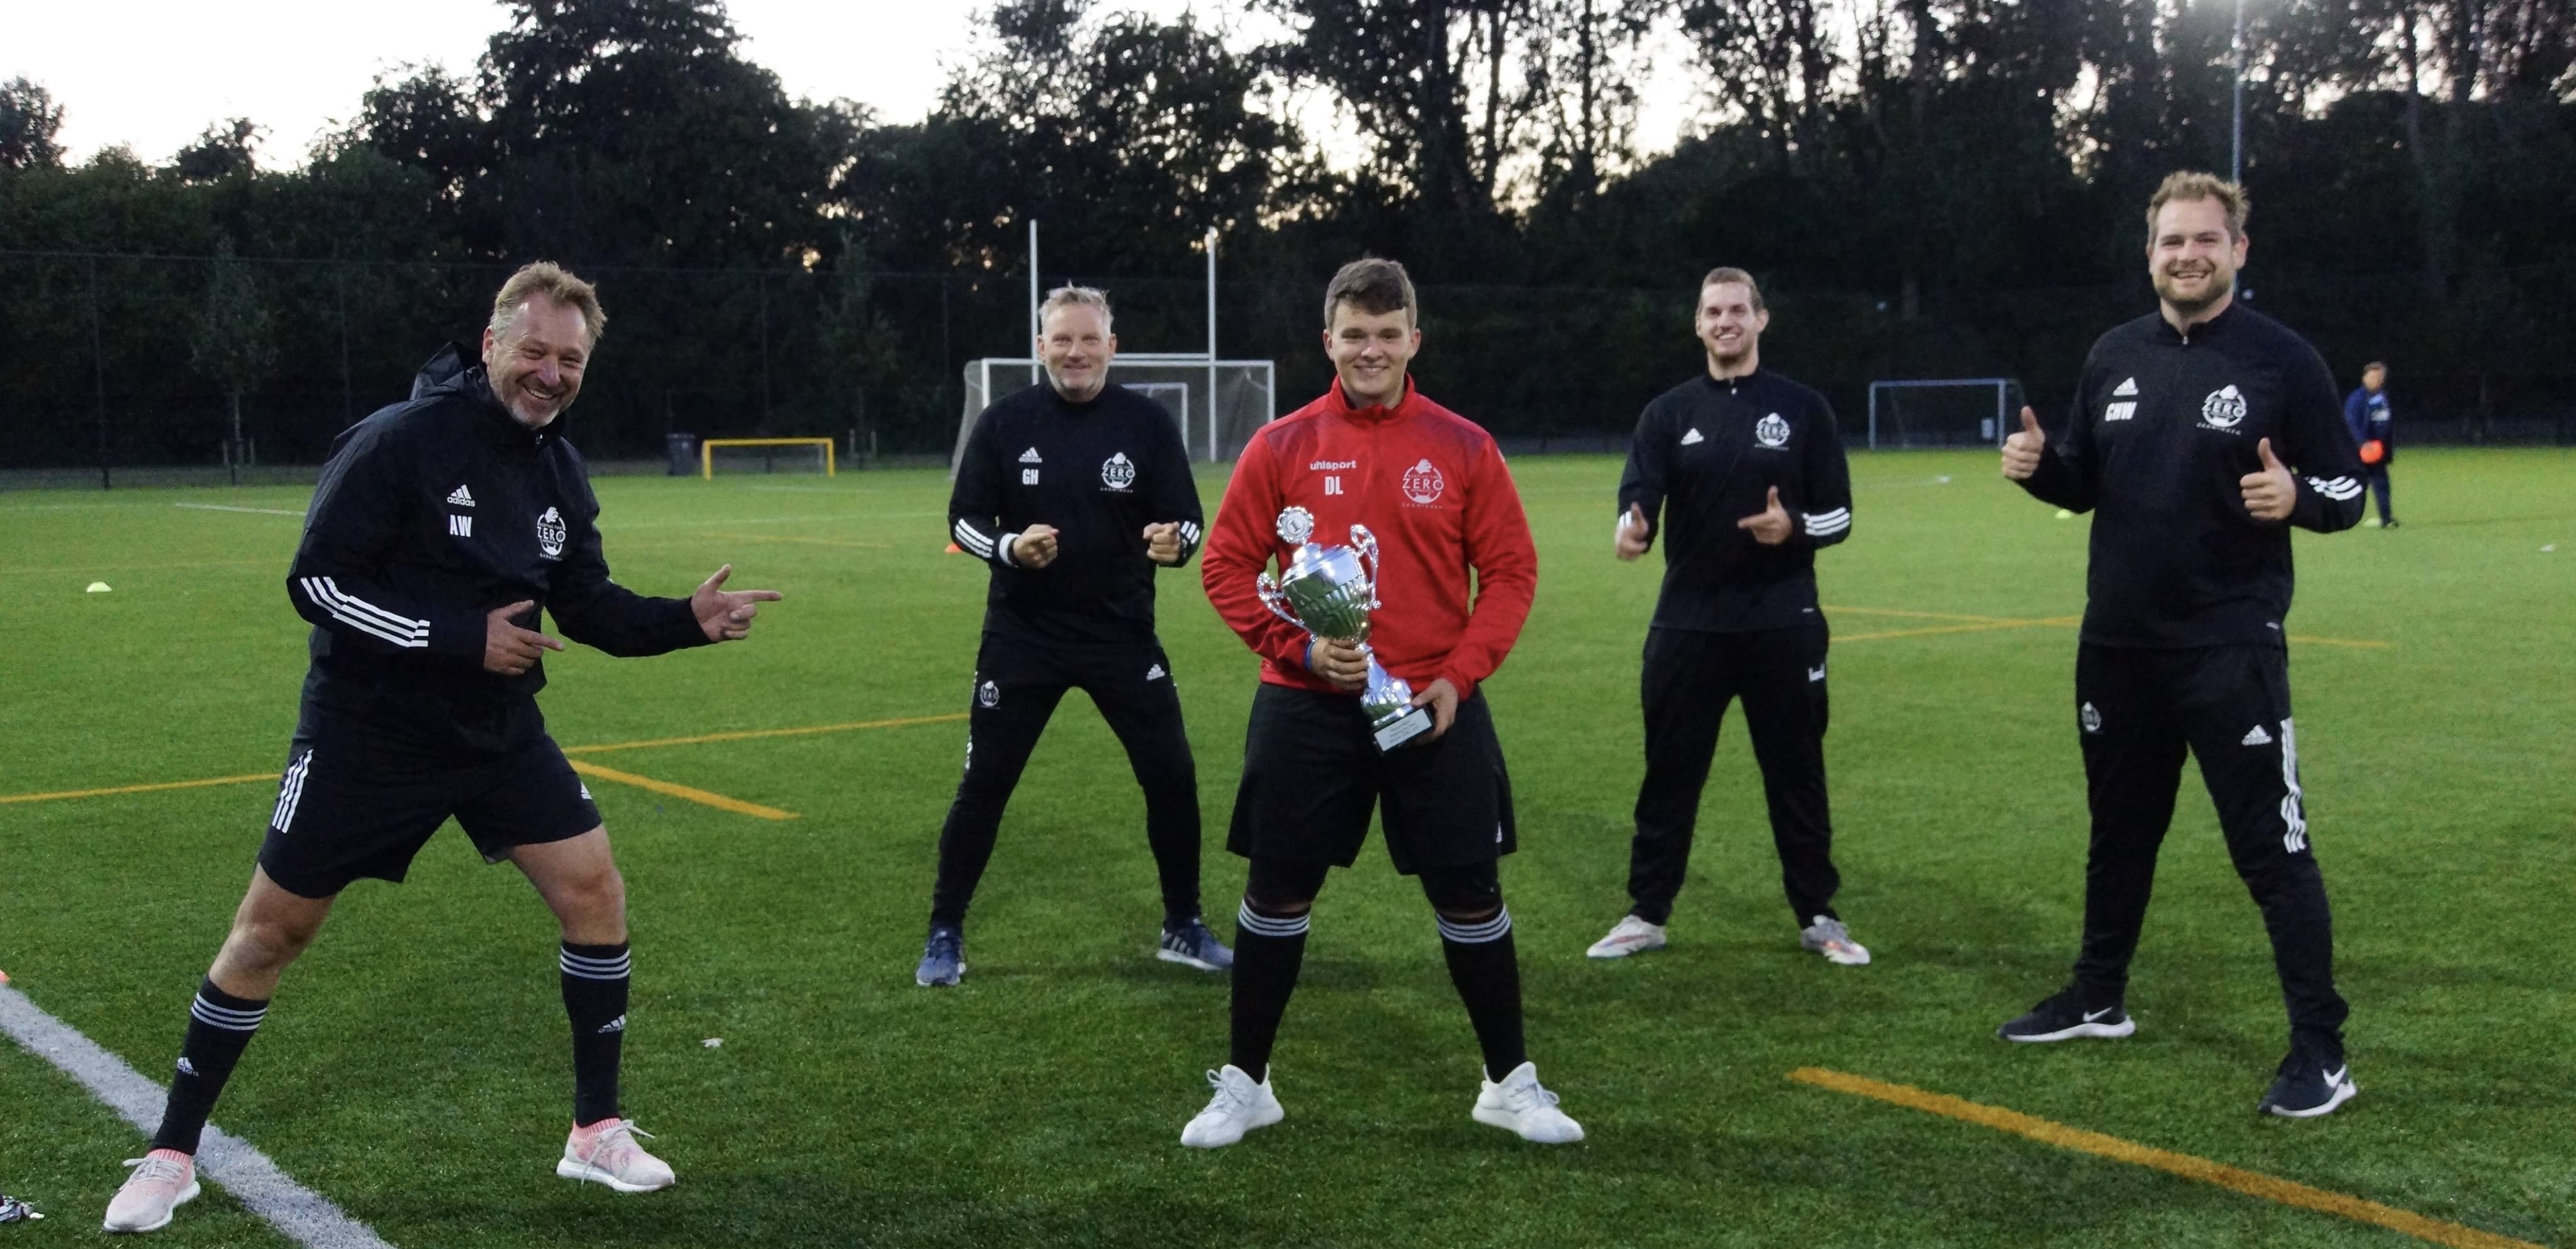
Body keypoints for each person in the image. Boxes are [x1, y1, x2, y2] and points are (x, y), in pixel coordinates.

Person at [104, 263, 786, 1233]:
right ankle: (171, 1153)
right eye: (536, 351)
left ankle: (594, 1132)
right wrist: (458, 637)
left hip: (496, 733)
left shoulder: (559, 468)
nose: (551, 374)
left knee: (594, 891)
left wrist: (686, 619)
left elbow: (586, 605)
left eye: (571, 360)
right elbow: (317, 582)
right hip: (368, 733)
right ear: (492, 344)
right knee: (269, 934)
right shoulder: (400, 440)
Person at [1180, 258, 1578, 1148]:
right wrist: (1297, 647)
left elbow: (1510, 571)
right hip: (1304, 705)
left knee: (1470, 895)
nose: (1371, 350)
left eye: (1387, 334)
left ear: (1413, 341)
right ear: (1327, 341)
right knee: (1276, 893)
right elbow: (1226, 564)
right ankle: (1247, 1084)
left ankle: (1508, 1083)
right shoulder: (1279, 445)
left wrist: (1459, 676)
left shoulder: (1464, 445)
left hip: (1432, 706)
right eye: (1354, 334)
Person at [1996, 172, 2367, 1117]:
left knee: (2272, 851)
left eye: (2205, 239)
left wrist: (2297, 499)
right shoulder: (2112, 353)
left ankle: (2320, 1050)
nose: (2187, 255)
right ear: (2149, 253)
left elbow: (2346, 491)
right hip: (2116, 646)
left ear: (2237, 249)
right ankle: (2098, 995)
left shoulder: (2282, 360)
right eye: (2171, 242)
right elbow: (2085, 482)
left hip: (2227, 647)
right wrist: (2040, 472)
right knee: (2118, 833)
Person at [925, 285, 1227, 986]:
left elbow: (1187, 518)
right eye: (1062, 339)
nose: (1076, 352)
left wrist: (1174, 542)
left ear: (1111, 347)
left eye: (1089, 339)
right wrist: (1009, 547)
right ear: (1041, 347)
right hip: (1023, 639)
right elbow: (964, 519)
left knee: (1172, 775)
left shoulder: (1147, 423)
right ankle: (945, 930)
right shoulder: (1005, 422)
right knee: (985, 783)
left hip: (1122, 636)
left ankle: (1182, 924)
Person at [1586, 267, 1866, 967]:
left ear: (1760, 319)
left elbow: (1840, 514)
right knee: (1669, 775)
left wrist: (1792, 524)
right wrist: (1631, 527)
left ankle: (1819, 915)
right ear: (1698, 324)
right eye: (1713, 311)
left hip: (1783, 620)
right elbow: (1638, 495)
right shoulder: (1668, 412)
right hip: (1688, 624)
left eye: (1738, 309)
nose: (1725, 321)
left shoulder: (1802, 408)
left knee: (1796, 775)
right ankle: (1645, 913)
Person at [2344, 361, 2396, 527]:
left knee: (2382, 484)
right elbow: (2350, 423)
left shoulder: (2381, 398)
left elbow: (2385, 424)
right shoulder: (2357, 399)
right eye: (2374, 376)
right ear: (2365, 377)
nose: (2377, 380)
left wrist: (2386, 449)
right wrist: (2362, 443)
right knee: (2356, 486)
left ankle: (2386, 518)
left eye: (2380, 377)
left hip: (2377, 451)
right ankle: (2348, 517)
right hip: (2361, 451)